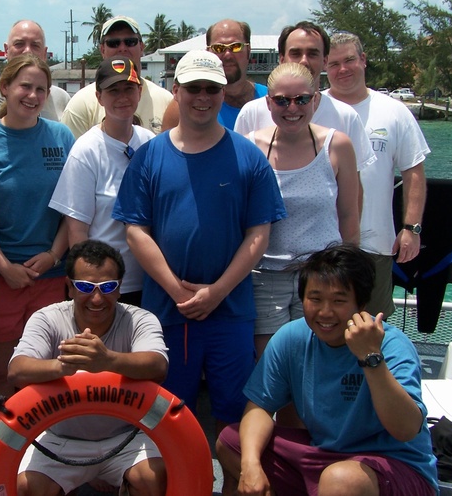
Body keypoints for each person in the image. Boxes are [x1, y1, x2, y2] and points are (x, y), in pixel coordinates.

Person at [113, 50, 286, 437]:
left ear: (224, 93)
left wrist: (218, 292)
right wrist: (178, 292)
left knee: (236, 416)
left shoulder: (249, 157)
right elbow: (135, 232)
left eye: (212, 88)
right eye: (193, 88)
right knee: (166, 416)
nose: (203, 97)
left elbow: (259, 234)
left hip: (232, 309)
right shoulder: (149, 156)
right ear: (176, 91)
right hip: (167, 312)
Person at [216, 244, 438, 496]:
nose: (325, 312)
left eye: (339, 301)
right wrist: (251, 466)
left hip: (395, 467)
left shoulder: (392, 345)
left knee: (341, 479)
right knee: (232, 443)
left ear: (361, 303)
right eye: (315, 299)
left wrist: (371, 358)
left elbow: (406, 429)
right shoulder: (292, 337)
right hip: (326, 455)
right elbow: (260, 407)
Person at [9, 240, 168, 496]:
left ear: (119, 289)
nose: (96, 298)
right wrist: (62, 366)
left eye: (107, 287)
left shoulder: (140, 319)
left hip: (126, 436)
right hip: (60, 438)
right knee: (28, 488)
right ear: (69, 287)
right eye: (85, 287)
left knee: (154, 478)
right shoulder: (47, 318)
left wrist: (108, 361)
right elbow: (17, 370)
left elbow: (157, 366)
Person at [0, 54, 74, 398]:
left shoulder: (61, 137)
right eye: (25, 86)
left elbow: (75, 208)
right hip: (0, 279)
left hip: (50, 277)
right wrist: (5, 267)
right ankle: (5, 447)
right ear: (5, 87)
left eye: (42, 89)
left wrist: (55, 255)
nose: (33, 95)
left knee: (49, 371)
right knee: (3, 373)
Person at [250, 63, 359, 358]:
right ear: (269, 102)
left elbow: (349, 216)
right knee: (271, 365)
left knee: (317, 363)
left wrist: (349, 280)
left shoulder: (338, 146)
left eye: (302, 99)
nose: (292, 108)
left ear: (315, 100)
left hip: (323, 277)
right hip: (265, 276)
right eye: (282, 100)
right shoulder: (250, 147)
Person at [326, 32, 429, 317]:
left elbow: (414, 173)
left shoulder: (394, 111)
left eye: (349, 60)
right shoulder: (312, 108)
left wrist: (411, 228)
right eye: (333, 63)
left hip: (374, 244)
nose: (342, 69)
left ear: (363, 60)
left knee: (372, 322)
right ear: (324, 67)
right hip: (320, 240)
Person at [50, 56, 153, 307]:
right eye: (113, 90)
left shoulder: (150, 142)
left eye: (129, 88)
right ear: (99, 97)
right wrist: (91, 286)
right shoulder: (85, 150)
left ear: (139, 92)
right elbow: (77, 231)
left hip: (151, 280)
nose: (122, 97)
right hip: (107, 287)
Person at [234, 21, 376, 188]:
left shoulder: (346, 116)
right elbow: (239, 180)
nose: (304, 61)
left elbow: (353, 192)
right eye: (295, 53)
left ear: (325, 61)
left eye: (312, 54)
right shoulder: (252, 113)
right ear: (281, 59)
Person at [61, 15, 172, 138]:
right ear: (102, 49)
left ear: (141, 47)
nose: (122, 48)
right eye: (113, 43)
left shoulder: (167, 101)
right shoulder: (80, 104)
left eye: (130, 42)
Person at [161, 18, 268, 131]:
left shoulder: (273, 102)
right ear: (208, 52)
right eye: (219, 48)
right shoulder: (183, 106)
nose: (227, 55)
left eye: (236, 47)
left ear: (248, 51)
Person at [0, 20, 71, 120]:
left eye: (35, 45)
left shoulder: (62, 99)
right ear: (6, 50)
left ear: (44, 53)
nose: (27, 51)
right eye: (19, 44)